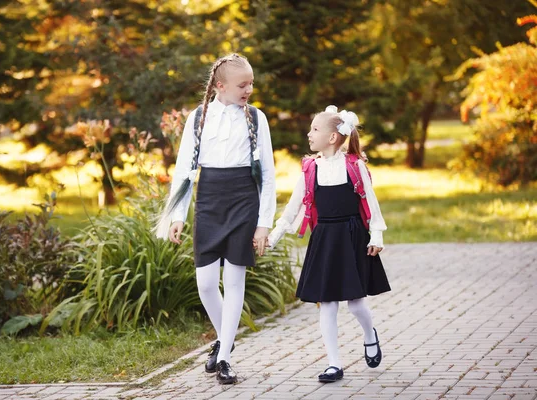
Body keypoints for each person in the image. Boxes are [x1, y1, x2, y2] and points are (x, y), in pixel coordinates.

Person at [155, 53, 276, 384]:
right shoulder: (199, 117)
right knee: (206, 283)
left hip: (243, 200)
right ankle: (227, 337)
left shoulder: (256, 117)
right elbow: (183, 171)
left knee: (235, 280)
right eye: (242, 84)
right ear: (220, 86)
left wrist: (264, 222)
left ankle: (223, 358)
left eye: (251, 82)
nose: (249, 89)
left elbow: (267, 172)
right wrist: (176, 215)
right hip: (209, 199)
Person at [267, 105, 390, 383]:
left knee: (356, 303)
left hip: (351, 237)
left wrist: (377, 235)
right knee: (328, 304)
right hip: (324, 239)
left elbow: (370, 202)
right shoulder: (311, 168)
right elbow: (293, 206)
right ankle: (334, 363)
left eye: (315, 129)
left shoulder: (354, 166)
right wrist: (275, 234)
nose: (309, 133)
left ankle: (370, 335)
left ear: (333, 137)